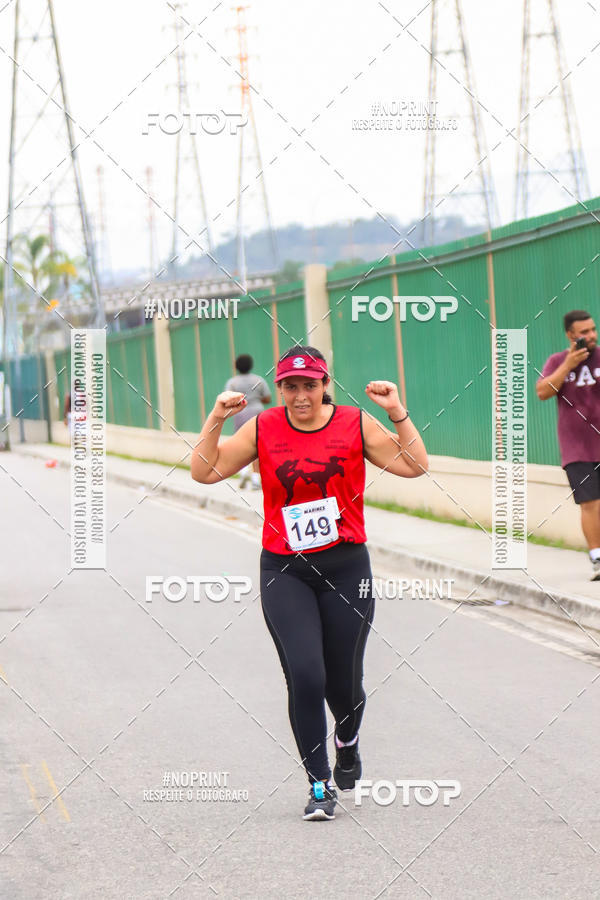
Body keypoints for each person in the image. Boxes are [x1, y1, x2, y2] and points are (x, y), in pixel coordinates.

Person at [191, 346, 429, 820]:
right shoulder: (262, 427)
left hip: (346, 567)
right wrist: (216, 418)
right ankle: (319, 784)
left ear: (325, 386)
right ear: (278, 390)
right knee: (305, 674)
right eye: (291, 387)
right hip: (285, 569)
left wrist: (396, 410)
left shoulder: (354, 423)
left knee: (344, 685)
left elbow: (415, 464)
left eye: (310, 385)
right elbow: (204, 472)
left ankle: (347, 740)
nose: (301, 396)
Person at [537, 310, 600, 580]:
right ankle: (598, 558)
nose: (591, 336)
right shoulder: (558, 361)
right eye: (584, 332)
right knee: (591, 503)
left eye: (593, 329)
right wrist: (569, 365)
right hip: (577, 448)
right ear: (570, 335)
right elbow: (542, 391)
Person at [224, 354, 271, 489]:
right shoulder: (259, 380)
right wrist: (255, 398)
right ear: (251, 365)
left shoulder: (233, 382)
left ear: (236, 366)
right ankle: (256, 479)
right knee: (257, 445)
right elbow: (267, 398)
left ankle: (244, 471)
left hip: (240, 413)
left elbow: (228, 399)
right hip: (257, 413)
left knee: (241, 444)